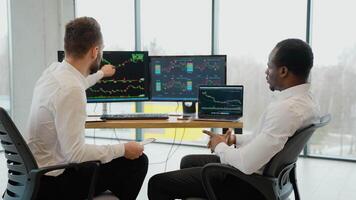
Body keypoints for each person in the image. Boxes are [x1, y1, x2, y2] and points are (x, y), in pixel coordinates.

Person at [148, 38, 320, 200]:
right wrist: (234, 139)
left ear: (283, 71)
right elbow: (267, 139)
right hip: (265, 177)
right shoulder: (306, 102)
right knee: (188, 161)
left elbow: (246, 163)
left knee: (157, 184)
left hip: (247, 184)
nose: (266, 71)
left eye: (270, 66)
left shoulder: (287, 109)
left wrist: (219, 145)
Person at [25, 17, 148, 200]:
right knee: (137, 162)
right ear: (95, 51)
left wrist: (100, 74)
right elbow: (76, 154)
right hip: (54, 185)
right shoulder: (72, 89)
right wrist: (123, 148)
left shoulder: (53, 72)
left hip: (35, 177)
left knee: (112, 159)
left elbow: (76, 84)